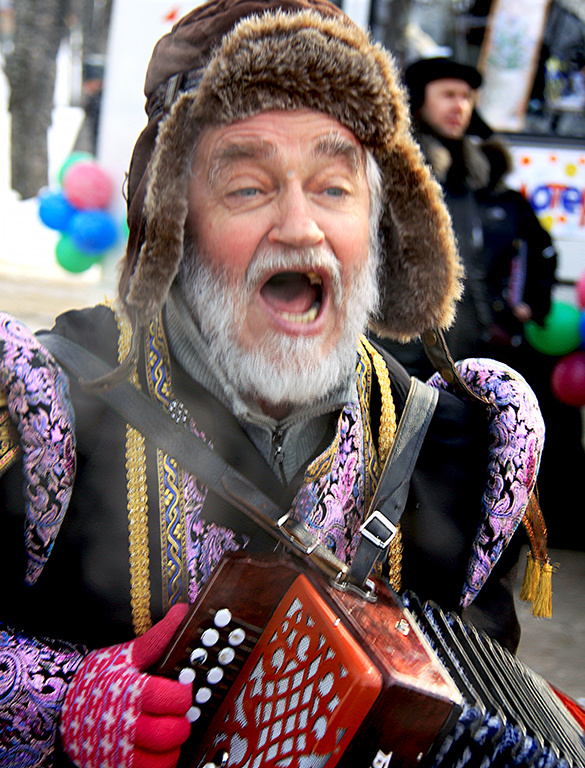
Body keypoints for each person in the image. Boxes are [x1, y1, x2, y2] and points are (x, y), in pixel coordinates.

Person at [0, 4, 549, 767]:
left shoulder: (453, 450)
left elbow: (477, 714)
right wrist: (63, 703)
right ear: (173, 218)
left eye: (334, 188)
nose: (300, 228)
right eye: (247, 188)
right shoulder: (47, 410)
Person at [374, 56, 558, 381]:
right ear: (417, 100)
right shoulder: (386, 171)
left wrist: (520, 307)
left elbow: (535, 248)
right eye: (448, 95)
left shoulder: (478, 183)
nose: (460, 106)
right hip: (398, 357)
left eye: (467, 97)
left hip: (467, 354)